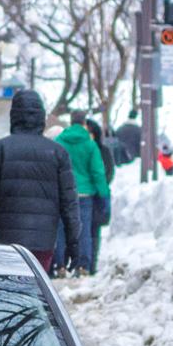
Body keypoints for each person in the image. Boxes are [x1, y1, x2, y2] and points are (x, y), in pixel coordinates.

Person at [0, 87, 80, 272]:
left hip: (6, 241)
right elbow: (69, 204)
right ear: (42, 117)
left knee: (8, 293)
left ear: (14, 116)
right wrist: (73, 244)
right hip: (43, 241)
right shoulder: (58, 153)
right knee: (35, 295)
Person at [58, 109, 116, 273]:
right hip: (85, 195)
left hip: (64, 194)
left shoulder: (59, 142)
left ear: (70, 122)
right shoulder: (90, 146)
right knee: (84, 230)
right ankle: (83, 266)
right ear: (84, 123)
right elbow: (98, 173)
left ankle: (61, 265)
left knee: (62, 230)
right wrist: (104, 194)